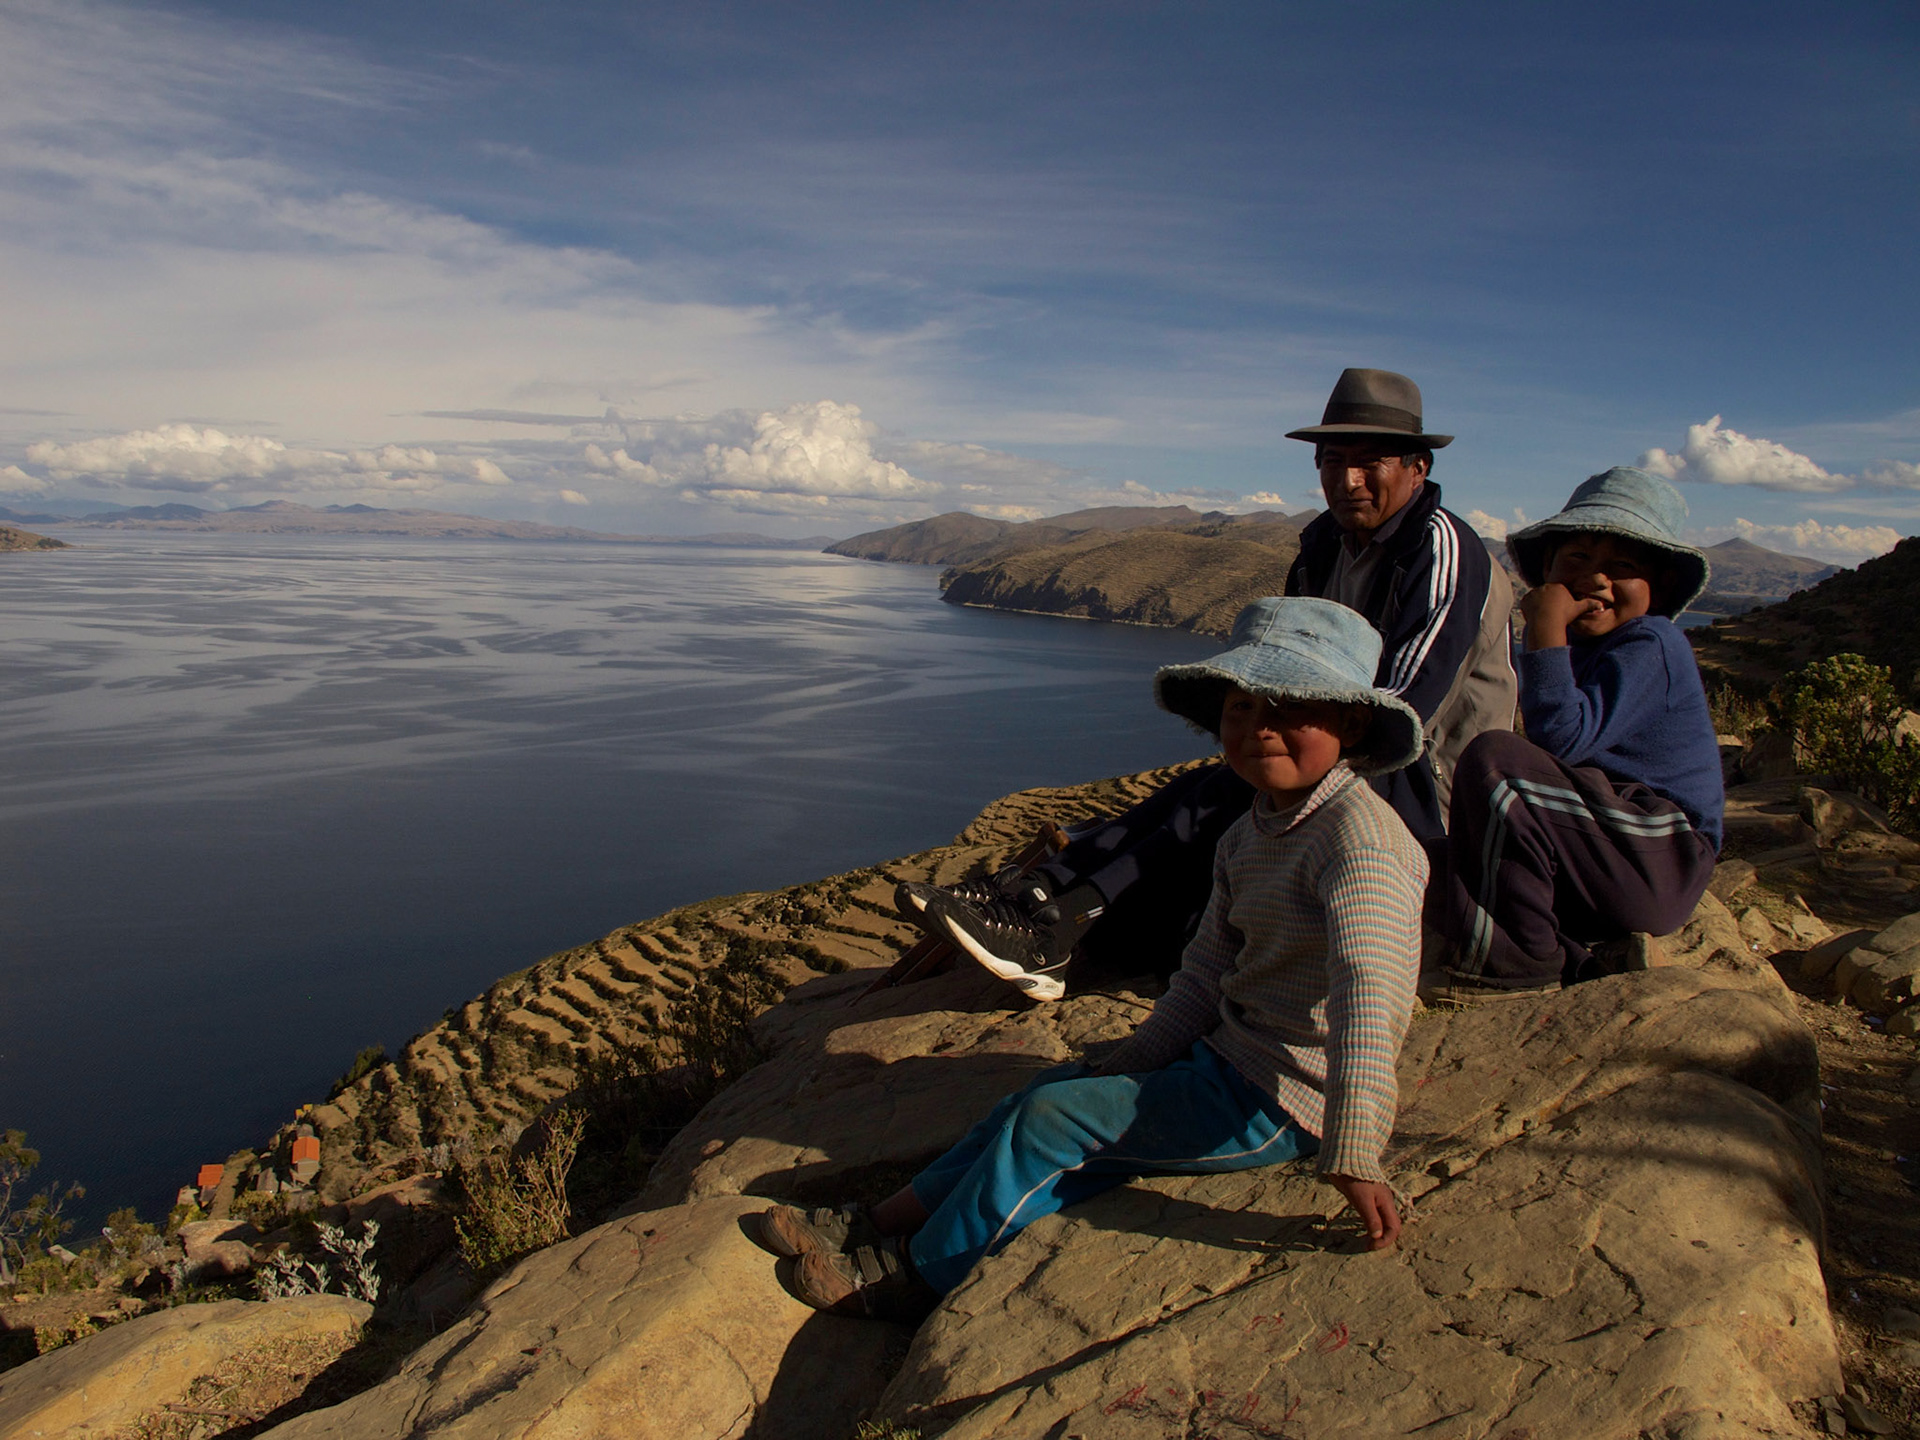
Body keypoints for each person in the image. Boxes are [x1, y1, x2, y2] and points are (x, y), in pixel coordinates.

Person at [758, 597, 1429, 1321]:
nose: (1259, 726)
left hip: (1285, 1100)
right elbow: (1205, 969)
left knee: (1051, 1123)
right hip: (1226, 1061)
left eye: (1290, 705)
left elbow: (1371, 990)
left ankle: (918, 1275)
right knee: (1038, 1098)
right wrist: (1140, 1055)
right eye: (1241, 705)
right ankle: (882, 1220)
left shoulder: (1359, 843)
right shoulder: (1252, 831)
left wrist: (1355, 1148)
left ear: (1352, 724)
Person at [897, 368, 1514, 1001]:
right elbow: (1280, 667)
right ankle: (1039, 901)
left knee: (1219, 792)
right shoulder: (1325, 546)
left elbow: (1406, 710)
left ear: (1416, 467)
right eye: (1334, 461)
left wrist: (1274, 750)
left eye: (1370, 461)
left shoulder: (1443, 551)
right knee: (1206, 786)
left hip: (1423, 783)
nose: (1349, 479)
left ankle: (1056, 917)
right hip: (1336, 752)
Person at [1421, 467, 1724, 1002]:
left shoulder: (1651, 642)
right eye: (1577, 560)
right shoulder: (1579, 653)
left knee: (1494, 759)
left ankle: (1516, 969)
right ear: (1549, 570)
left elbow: (1559, 740)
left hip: (1661, 854)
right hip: (1603, 852)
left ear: (1659, 587)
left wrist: (1545, 627)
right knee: (1435, 862)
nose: (1596, 579)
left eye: (1622, 566)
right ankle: (1571, 958)